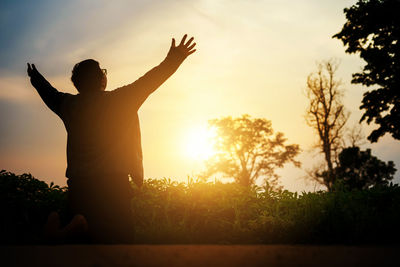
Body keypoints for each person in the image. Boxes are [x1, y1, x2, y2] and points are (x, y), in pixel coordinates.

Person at [27, 35, 196, 243]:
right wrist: (174, 58)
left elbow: (48, 93)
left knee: (79, 249)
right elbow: (151, 80)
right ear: (102, 79)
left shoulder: (68, 105)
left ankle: (66, 230)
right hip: (112, 187)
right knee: (117, 246)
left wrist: (36, 79)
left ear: (77, 84)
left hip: (80, 188)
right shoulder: (121, 100)